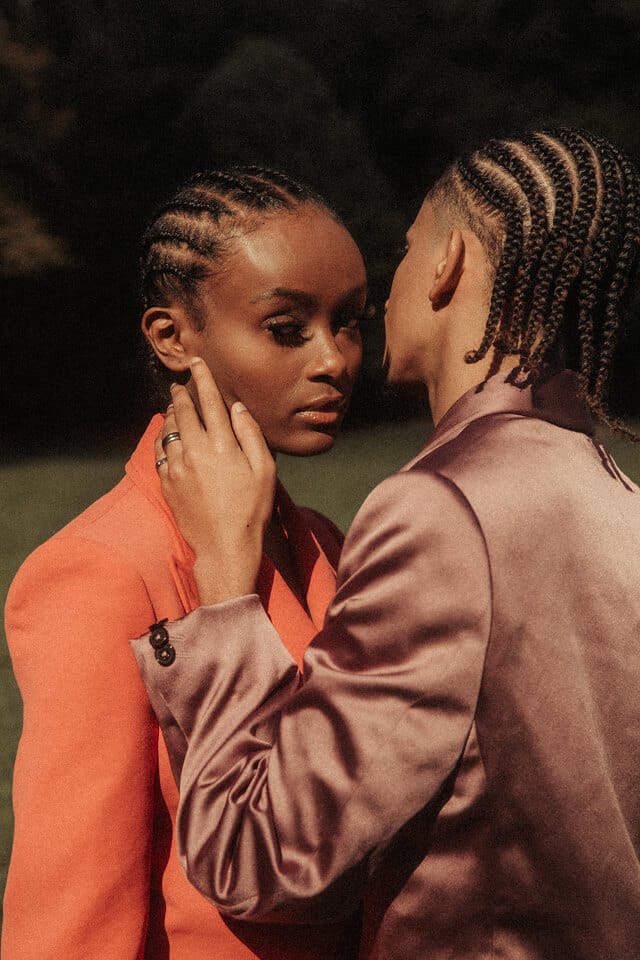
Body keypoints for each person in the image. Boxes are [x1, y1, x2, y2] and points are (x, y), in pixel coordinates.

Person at [131, 128, 640, 960]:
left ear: (447, 264)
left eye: (404, 251)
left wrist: (225, 590)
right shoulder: (619, 498)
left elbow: (263, 854)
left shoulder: (441, 508)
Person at [2, 167, 369, 960]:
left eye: (348, 322)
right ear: (172, 337)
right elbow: (73, 913)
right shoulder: (99, 571)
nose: (335, 359)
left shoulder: (327, 543)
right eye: (287, 327)